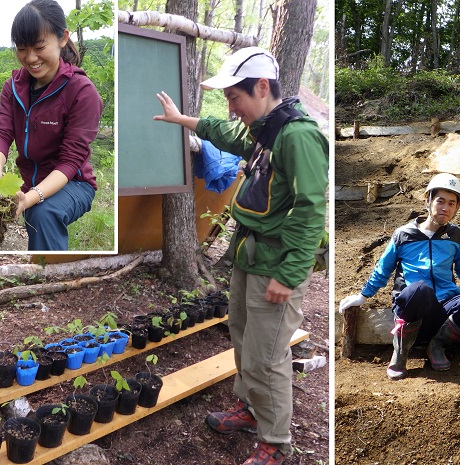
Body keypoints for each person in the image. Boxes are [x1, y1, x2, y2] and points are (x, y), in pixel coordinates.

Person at [153, 47, 328, 465]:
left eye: (236, 98)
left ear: (263, 87)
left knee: (267, 357)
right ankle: (249, 409)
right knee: (242, 337)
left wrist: (288, 275)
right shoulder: (263, 131)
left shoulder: (298, 136)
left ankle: (275, 442)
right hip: (249, 257)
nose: (231, 108)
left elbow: (311, 209)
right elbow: (224, 133)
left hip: (277, 262)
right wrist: (183, 121)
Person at [338, 173, 460, 380]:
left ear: (457, 208)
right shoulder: (403, 235)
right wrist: (363, 295)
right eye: (440, 201)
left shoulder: (455, 235)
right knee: (420, 289)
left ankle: (437, 345)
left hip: (444, 310)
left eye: (452, 203)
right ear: (427, 200)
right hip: (413, 309)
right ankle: (400, 353)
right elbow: (383, 268)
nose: (445, 208)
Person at [0, 0, 103, 250]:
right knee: (36, 212)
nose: (30, 58)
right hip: (29, 182)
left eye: (39, 47)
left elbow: (70, 162)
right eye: (22, 48)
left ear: (63, 38)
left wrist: (29, 199)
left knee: (43, 213)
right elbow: (2, 131)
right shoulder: (14, 87)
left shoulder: (81, 92)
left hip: (74, 183)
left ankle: (52, 280)